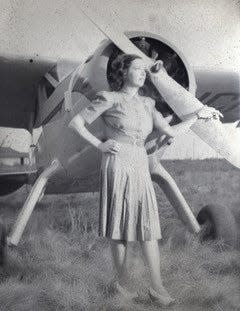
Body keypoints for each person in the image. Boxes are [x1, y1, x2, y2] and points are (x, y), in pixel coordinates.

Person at [68, 54, 222, 306]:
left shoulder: (149, 104)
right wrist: (100, 144)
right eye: (137, 68)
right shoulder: (109, 98)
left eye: (144, 70)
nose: (143, 73)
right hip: (117, 163)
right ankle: (122, 285)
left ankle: (157, 287)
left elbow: (170, 132)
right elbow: (76, 123)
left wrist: (198, 115)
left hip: (140, 162)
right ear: (123, 72)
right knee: (119, 228)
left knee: (148, 227)